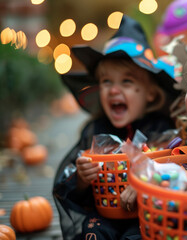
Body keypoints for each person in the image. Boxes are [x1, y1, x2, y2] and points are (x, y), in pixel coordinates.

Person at [52, 15, 180, 240]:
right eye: (106, 81)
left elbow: (177, 172)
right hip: (102, 215)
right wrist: (81, 179)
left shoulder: (163, 130)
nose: (113, 90)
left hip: (146, 215)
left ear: (150, 93)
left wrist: (147, 180)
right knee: (93, 234)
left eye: (127, 82)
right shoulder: (94, 130)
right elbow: (66, 183)